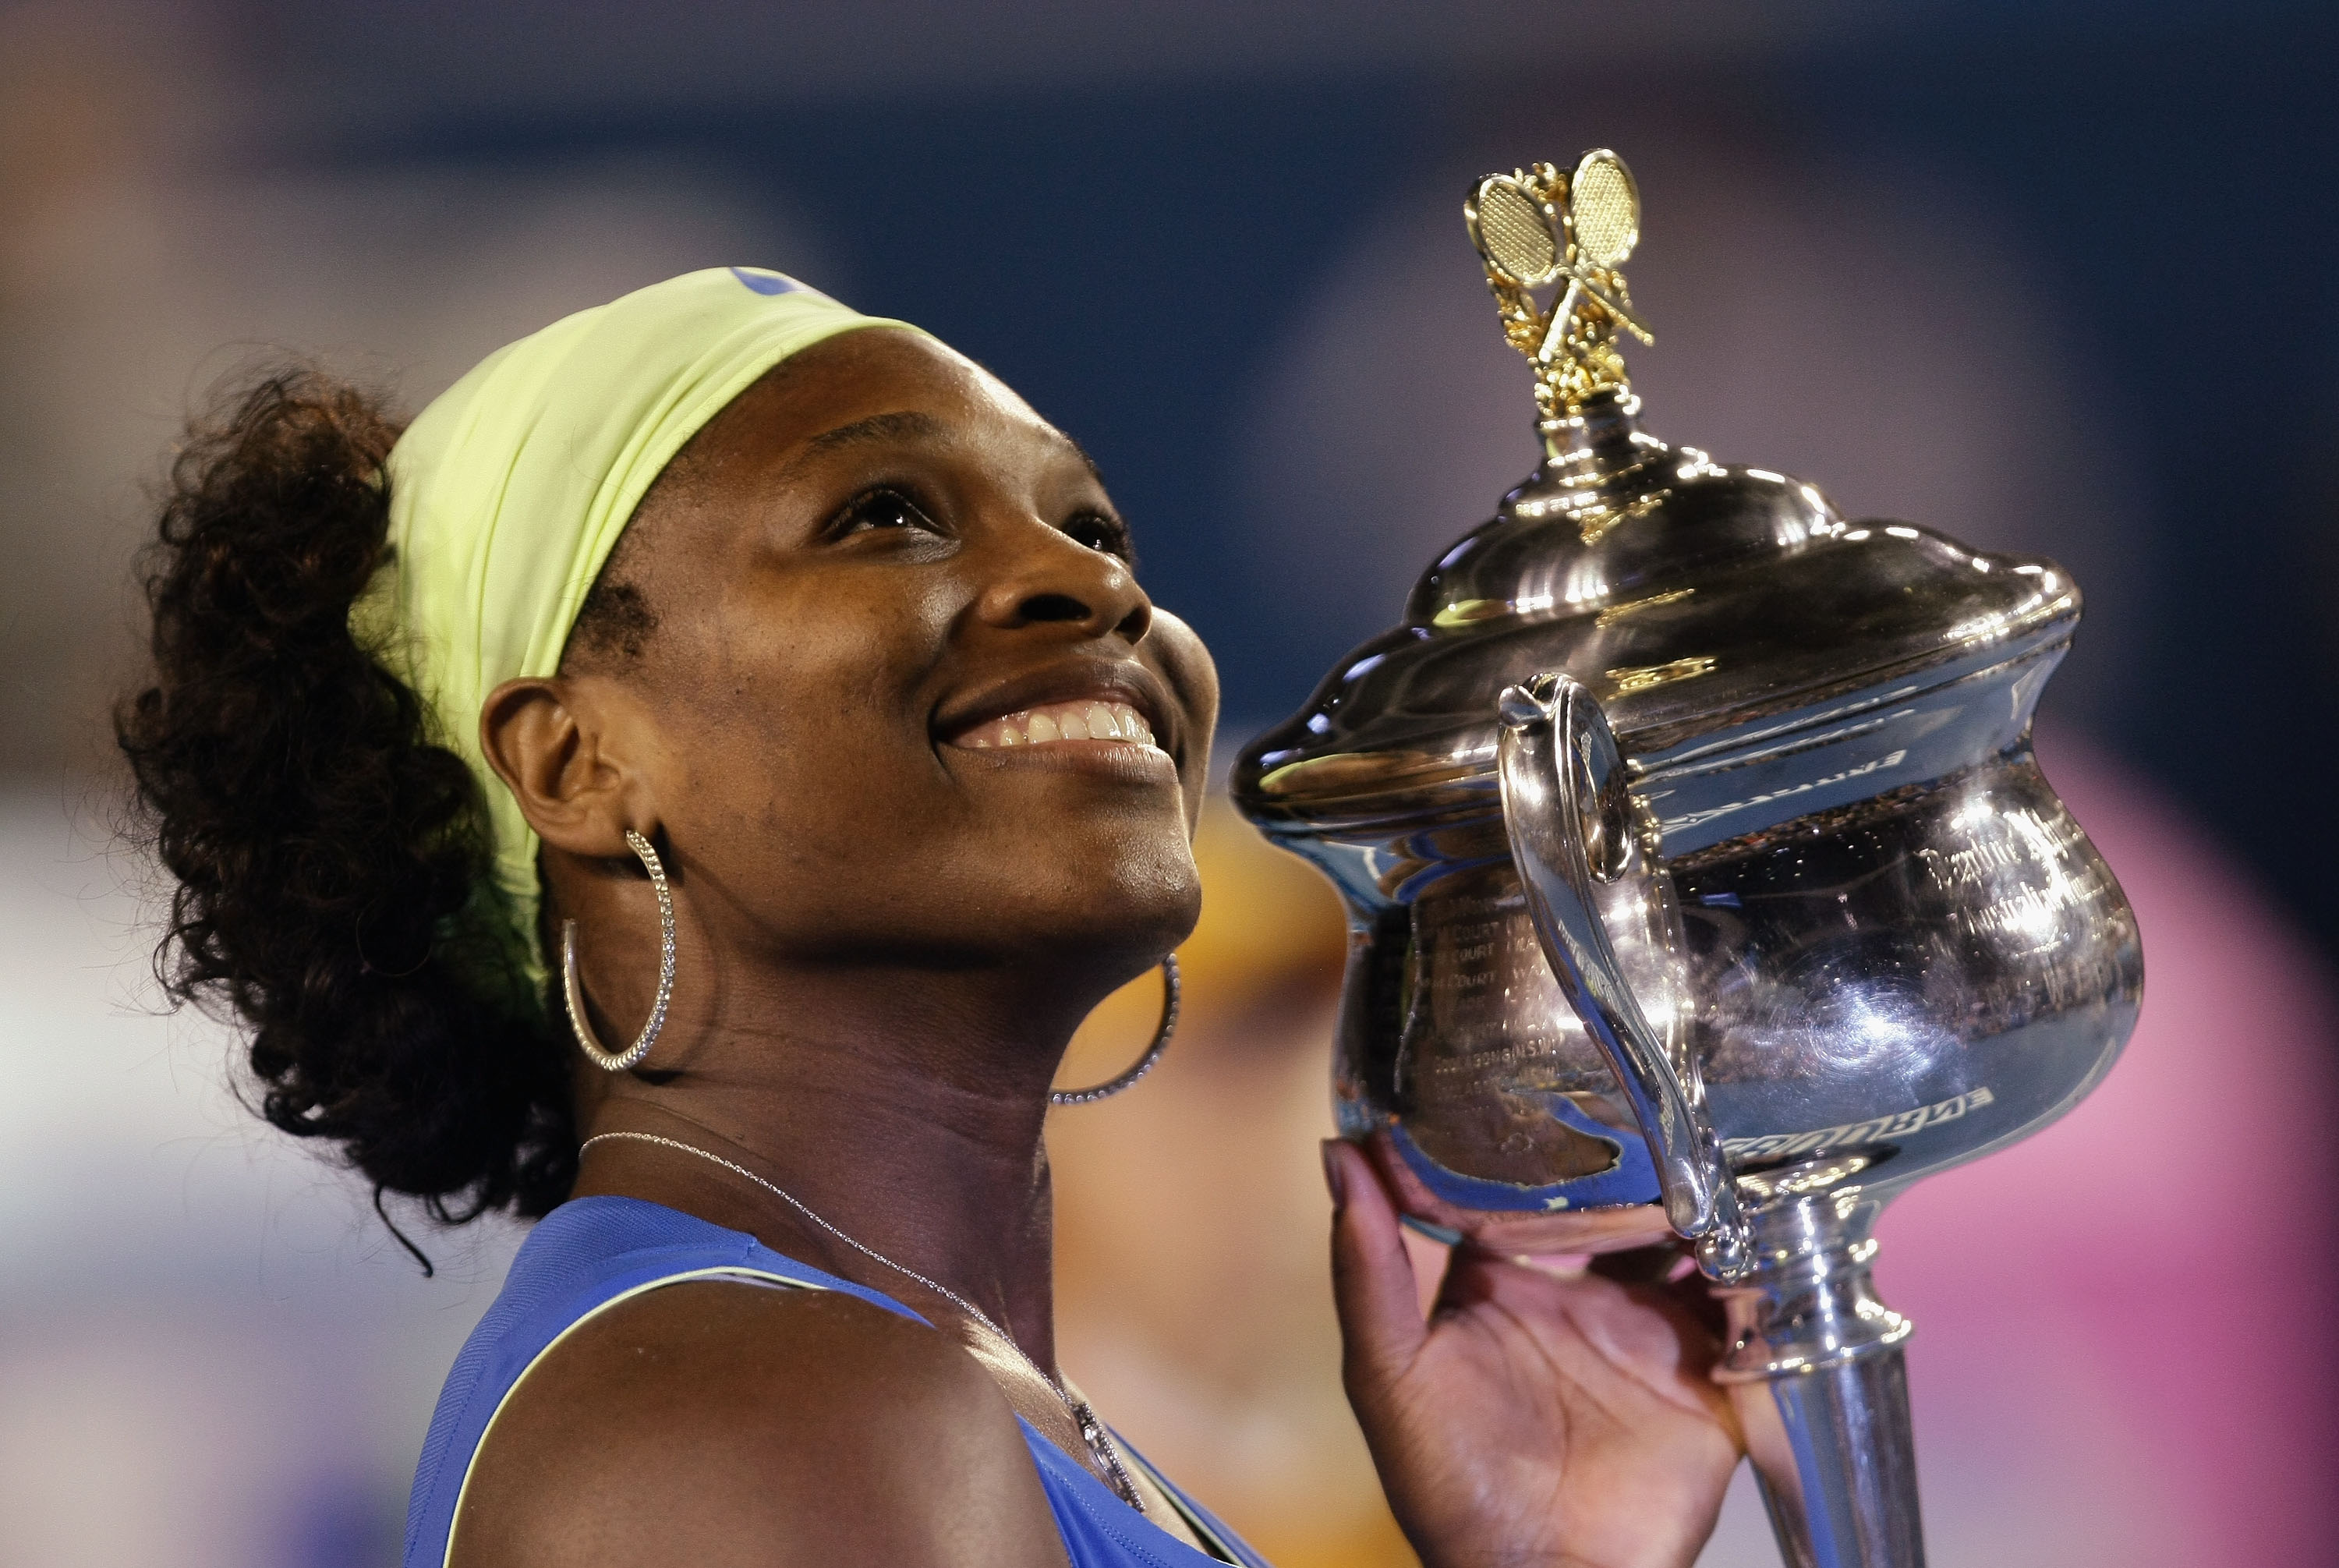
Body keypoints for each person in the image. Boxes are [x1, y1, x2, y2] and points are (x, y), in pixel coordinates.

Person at [119, 267, 1740, 1568]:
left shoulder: (918, 1404)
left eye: (1097, 528)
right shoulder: (760, 1424)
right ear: (579, 760)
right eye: (884, 514)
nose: (1093, 587)